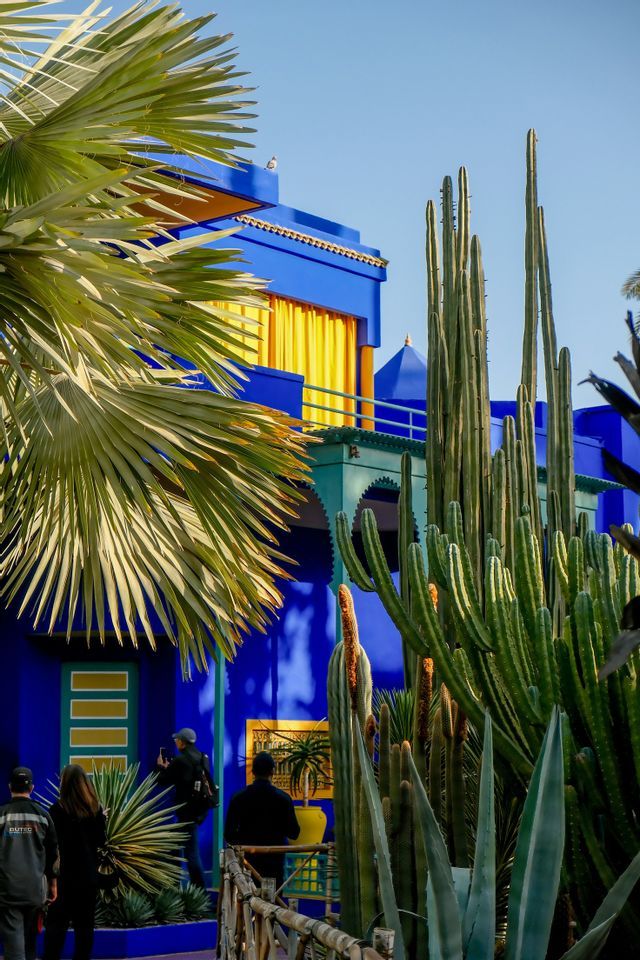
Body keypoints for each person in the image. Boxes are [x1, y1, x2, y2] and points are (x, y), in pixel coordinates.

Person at [43, 765, 107, 960]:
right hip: (87, 878)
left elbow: (51, 844)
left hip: (63, 879)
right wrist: (102, 820)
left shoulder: (56, 810)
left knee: (56, 928)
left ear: (64, 784)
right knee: (85, 928)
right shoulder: (95, 809)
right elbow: (100, 841)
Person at [0, 767, 59, 960]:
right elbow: (53, 854)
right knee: (30, 945)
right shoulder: (43, 816)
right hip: (35, 890)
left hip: (8, 890)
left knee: (14, 947)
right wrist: (53, 884)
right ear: (32, 788)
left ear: (10, 786)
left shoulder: (2, 814)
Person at [224, 751, 300, 891]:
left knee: (248, 898)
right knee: (274, 900)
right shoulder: (283, 799)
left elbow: (229, 834)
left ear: (253, 772)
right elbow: (294, 833)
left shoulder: (238, 798)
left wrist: (244, 840)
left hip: (248, 863)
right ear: (272, 771)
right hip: (274, 863)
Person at [156, 727, 213, 889]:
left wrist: (161, 767)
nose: (176, 742)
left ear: (182, 742)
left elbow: (162, 780)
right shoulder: (202, 758)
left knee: (189, 854)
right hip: (197, 812)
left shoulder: (181, 760)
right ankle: (191, 890)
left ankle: (195, 891)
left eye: (177, 740)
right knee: (181, 850)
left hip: (184, 813)